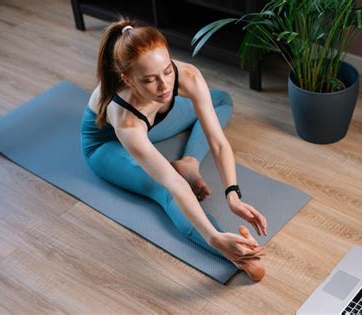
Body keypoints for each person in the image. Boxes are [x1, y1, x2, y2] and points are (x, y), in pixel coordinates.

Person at [80, 18, 267, 280]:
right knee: (163, 188)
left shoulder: (186, 76)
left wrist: (233, 195)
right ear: (128, 79)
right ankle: (232, 252)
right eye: (149, 80)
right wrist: (213, 237)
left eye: (167, 71)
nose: (164, 86)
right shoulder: (125, 119)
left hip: (151, 125)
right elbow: (172, 184)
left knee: (221, 99)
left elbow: (218, 141)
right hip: (106, 145)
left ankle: (190, 161)